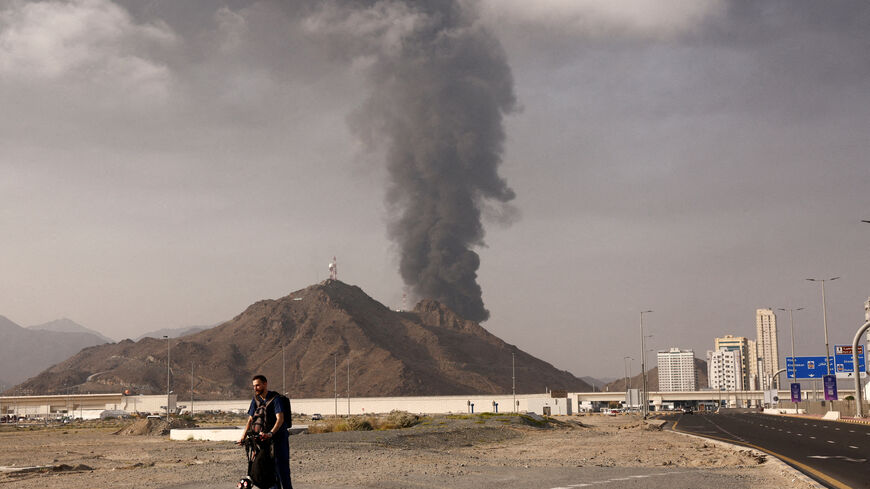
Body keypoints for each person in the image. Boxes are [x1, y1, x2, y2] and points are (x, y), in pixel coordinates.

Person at [237, 374, 292, 489]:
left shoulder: (276, 399)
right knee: (266, 470)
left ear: (265, 384)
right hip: (262, 442)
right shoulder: (255, 400)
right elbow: (250, 420)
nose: (255, 388)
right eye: (253, 386)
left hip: (278, 439)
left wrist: (271, 433)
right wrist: (243, 437)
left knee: (282, 469)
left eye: (257, 385)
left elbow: (280, 419)